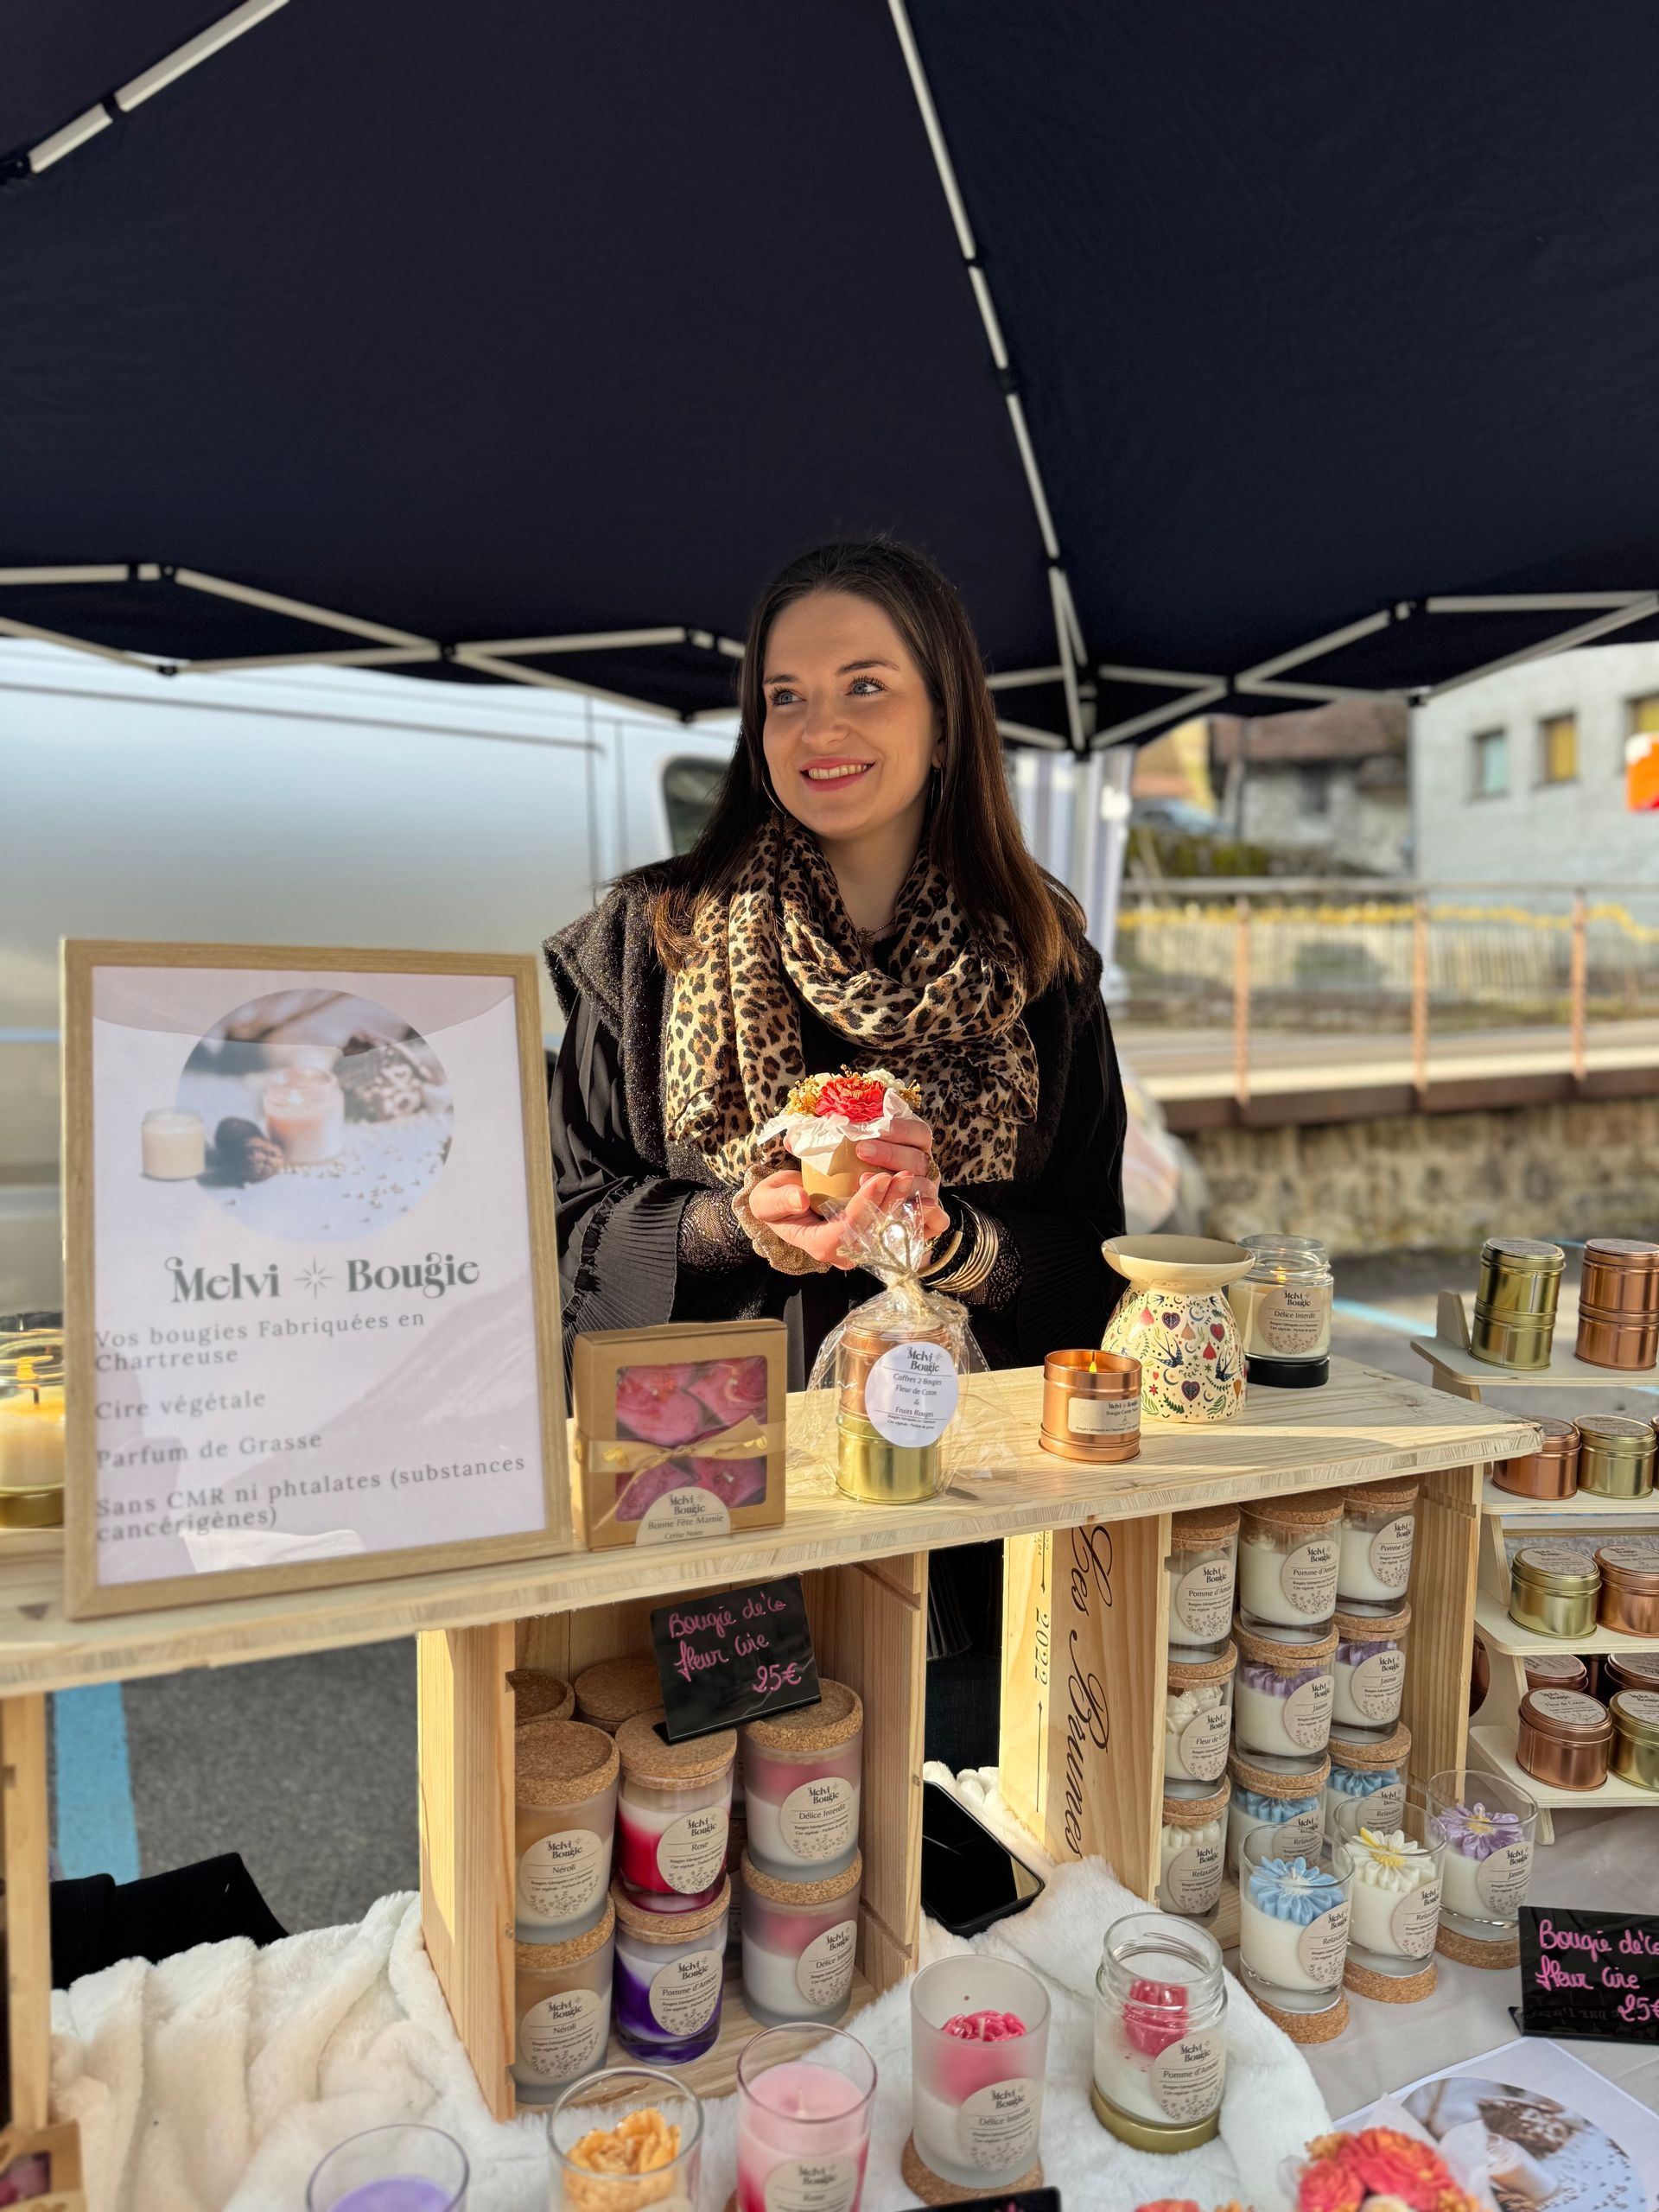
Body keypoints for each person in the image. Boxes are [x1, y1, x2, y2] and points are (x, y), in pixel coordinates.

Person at [545, 538, 1126, 1764]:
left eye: (866, 685)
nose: (819, 727)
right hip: (709, 1506)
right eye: (784, 694)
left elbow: (1092, 1271)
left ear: (946, 720)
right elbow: (565, 1231)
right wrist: (731, 1225)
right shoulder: (651, 947)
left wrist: (954, 1240)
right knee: (738, 1868)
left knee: (947, 1857)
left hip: (967, 1531)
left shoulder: (1041, 967)